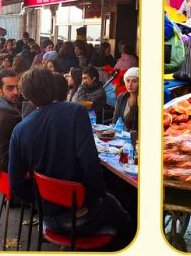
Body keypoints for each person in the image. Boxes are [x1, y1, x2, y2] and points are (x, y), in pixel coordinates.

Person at [8, 68, 134, 250]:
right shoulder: (75, 112)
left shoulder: (20, 130)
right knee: (128, 218)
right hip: (82, 215)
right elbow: (90, 164)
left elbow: (16, 183)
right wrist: (92, 199)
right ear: (54, 86)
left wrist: (43, 201)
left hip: (49, 218)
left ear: (26, 95)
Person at [113, 67, 138, 132]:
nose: (130, 84)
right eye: (128, 81)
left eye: (134, 81)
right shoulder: (121, 97)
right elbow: (115, 120)